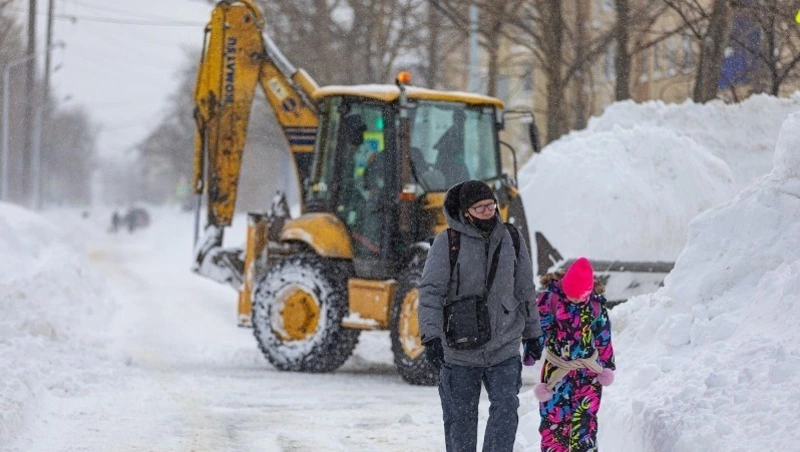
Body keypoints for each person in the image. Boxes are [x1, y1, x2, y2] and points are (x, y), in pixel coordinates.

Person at [418, 179, 543, 452]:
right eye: (480, 208)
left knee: (506, 410)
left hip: (504, 345)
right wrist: (431, 337)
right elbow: (431, 293)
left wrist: (533, 332)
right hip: (460, 349)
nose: (489, 211)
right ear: (466, 212)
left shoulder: (511, 237)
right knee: (460, 421)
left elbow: (525, 288)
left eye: (491, 205)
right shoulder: (447, 242)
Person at [533, 257, 616, 452]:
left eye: (582, 296)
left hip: (588, 373)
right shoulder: (550, 300)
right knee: (554, 425)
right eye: (573, 296)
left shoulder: (595, 305)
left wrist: (607, 365)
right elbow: (538, 329)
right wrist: (532, 350)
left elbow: (603, 336)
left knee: (585, 425)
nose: (578, 300)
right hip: (557, 371)